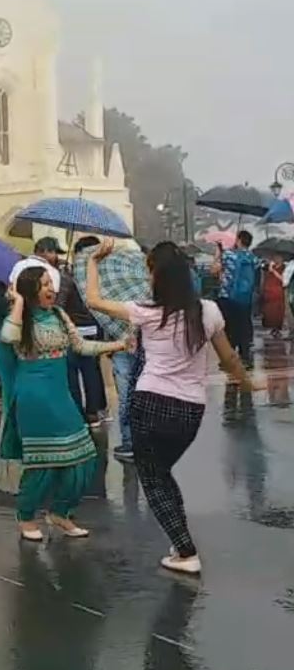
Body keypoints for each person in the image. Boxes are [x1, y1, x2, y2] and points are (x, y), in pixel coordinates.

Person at [85, 241, 261, 574]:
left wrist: (94, 261)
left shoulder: (147, 312)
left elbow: (93, 300)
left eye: (150, 271)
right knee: (161, 475)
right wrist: (249, 384)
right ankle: (180, 541)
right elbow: (229, 359)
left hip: (150, 403)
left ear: (158, 276)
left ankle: (185, 552)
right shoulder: (207, 311)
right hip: (190, 410)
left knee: (153, 479)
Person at [0, 266, 127, 540]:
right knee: (42, 461)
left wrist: (117, 345)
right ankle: (26, 516)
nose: (51, 290)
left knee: (83, 457)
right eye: (44, 285)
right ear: (31, 290)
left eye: (51, 284)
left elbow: (81, 346)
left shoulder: (58, 314)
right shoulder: (21, 319)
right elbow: (8, 338)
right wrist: (19, 303)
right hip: (34, 398)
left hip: (60, 394)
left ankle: (60, 513)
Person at [73, 242, 152, 463]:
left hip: (125, 347)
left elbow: (94, 302)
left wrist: (93, 261)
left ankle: (130, 442)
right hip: (145, 349)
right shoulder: (151, 290)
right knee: (143, 395)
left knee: (127, 394)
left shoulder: (116, 287)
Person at [56, 237, 109, 425]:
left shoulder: (68, 278)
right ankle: (94, 411)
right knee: (91, 371)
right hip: (93, 328)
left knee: (72, 373)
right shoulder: (99, 277)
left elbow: (59, 305)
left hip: (74, 330)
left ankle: (78, 412)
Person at [212, 229, 260, 363]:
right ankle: (245, 352)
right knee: (244, 323)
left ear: (238, 240)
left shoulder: (228, 255)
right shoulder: (253, 258)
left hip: (228, 296)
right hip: (246, 297)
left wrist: (218, 253)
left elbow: (214, 270)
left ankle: (229, 354)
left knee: (229, 326)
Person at [260, 256, 286, 338]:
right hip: (269, 292)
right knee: (269, 312)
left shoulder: (284, 268)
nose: (276, 259)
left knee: (278, 312)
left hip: (278, 291)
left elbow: (283, 279)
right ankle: (272, 329)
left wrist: (274, 271)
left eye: (278, 258)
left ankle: (277, 329)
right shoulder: (270, 266)